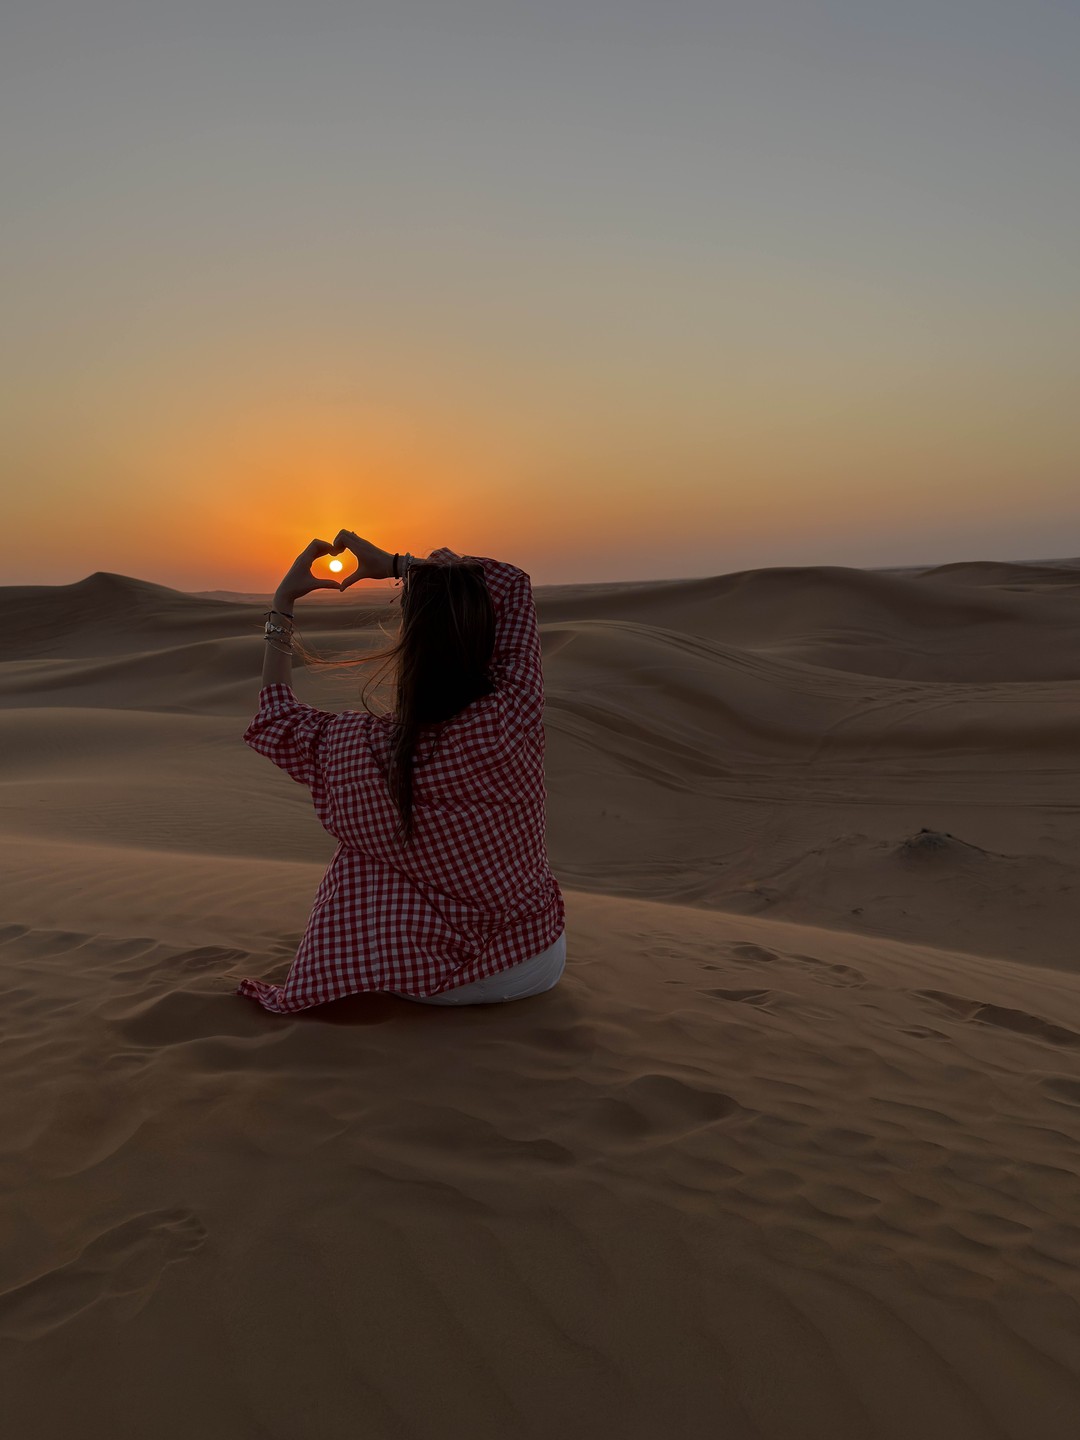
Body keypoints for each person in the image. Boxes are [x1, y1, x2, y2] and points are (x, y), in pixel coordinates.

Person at [234, 529, 567, 1012]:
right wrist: (397, 565)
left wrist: (283, 601)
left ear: (410, 644)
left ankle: (347, 974)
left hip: (436, 985)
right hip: (535, 962)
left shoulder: (360, 747)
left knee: (363, 854)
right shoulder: (511, 716)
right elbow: (513, 583)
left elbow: (275, 720)